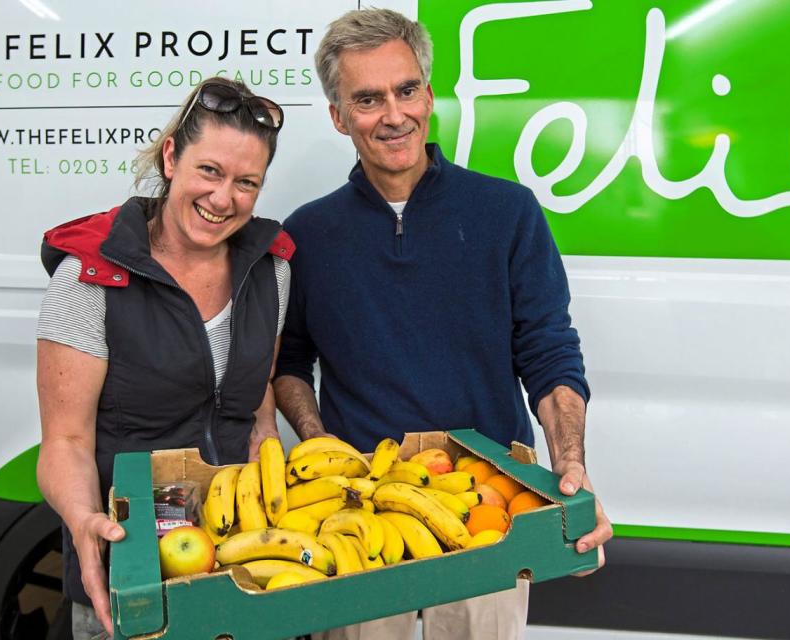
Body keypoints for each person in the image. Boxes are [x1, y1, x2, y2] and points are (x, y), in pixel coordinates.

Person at [273, 9, 612, 639]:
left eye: (406, 90)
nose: (393, 114)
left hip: (489, 503)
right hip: (361, 507)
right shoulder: (308, 234)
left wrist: (571, 464)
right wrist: (322, 446)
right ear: (339, 116)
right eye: (367, 99)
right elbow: (289, 362)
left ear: (429, 94)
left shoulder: (508, 212)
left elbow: (549, 353)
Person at [35, 77, 292, 639]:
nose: (224, 198)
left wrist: (269, 454)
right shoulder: (91, 276)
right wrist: (82, 522)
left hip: (235, 559)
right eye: (210, 171)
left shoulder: (271, 271)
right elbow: (65, 442)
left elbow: (257, 393)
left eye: (246, 183)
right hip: (129, 567)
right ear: (172, 155)